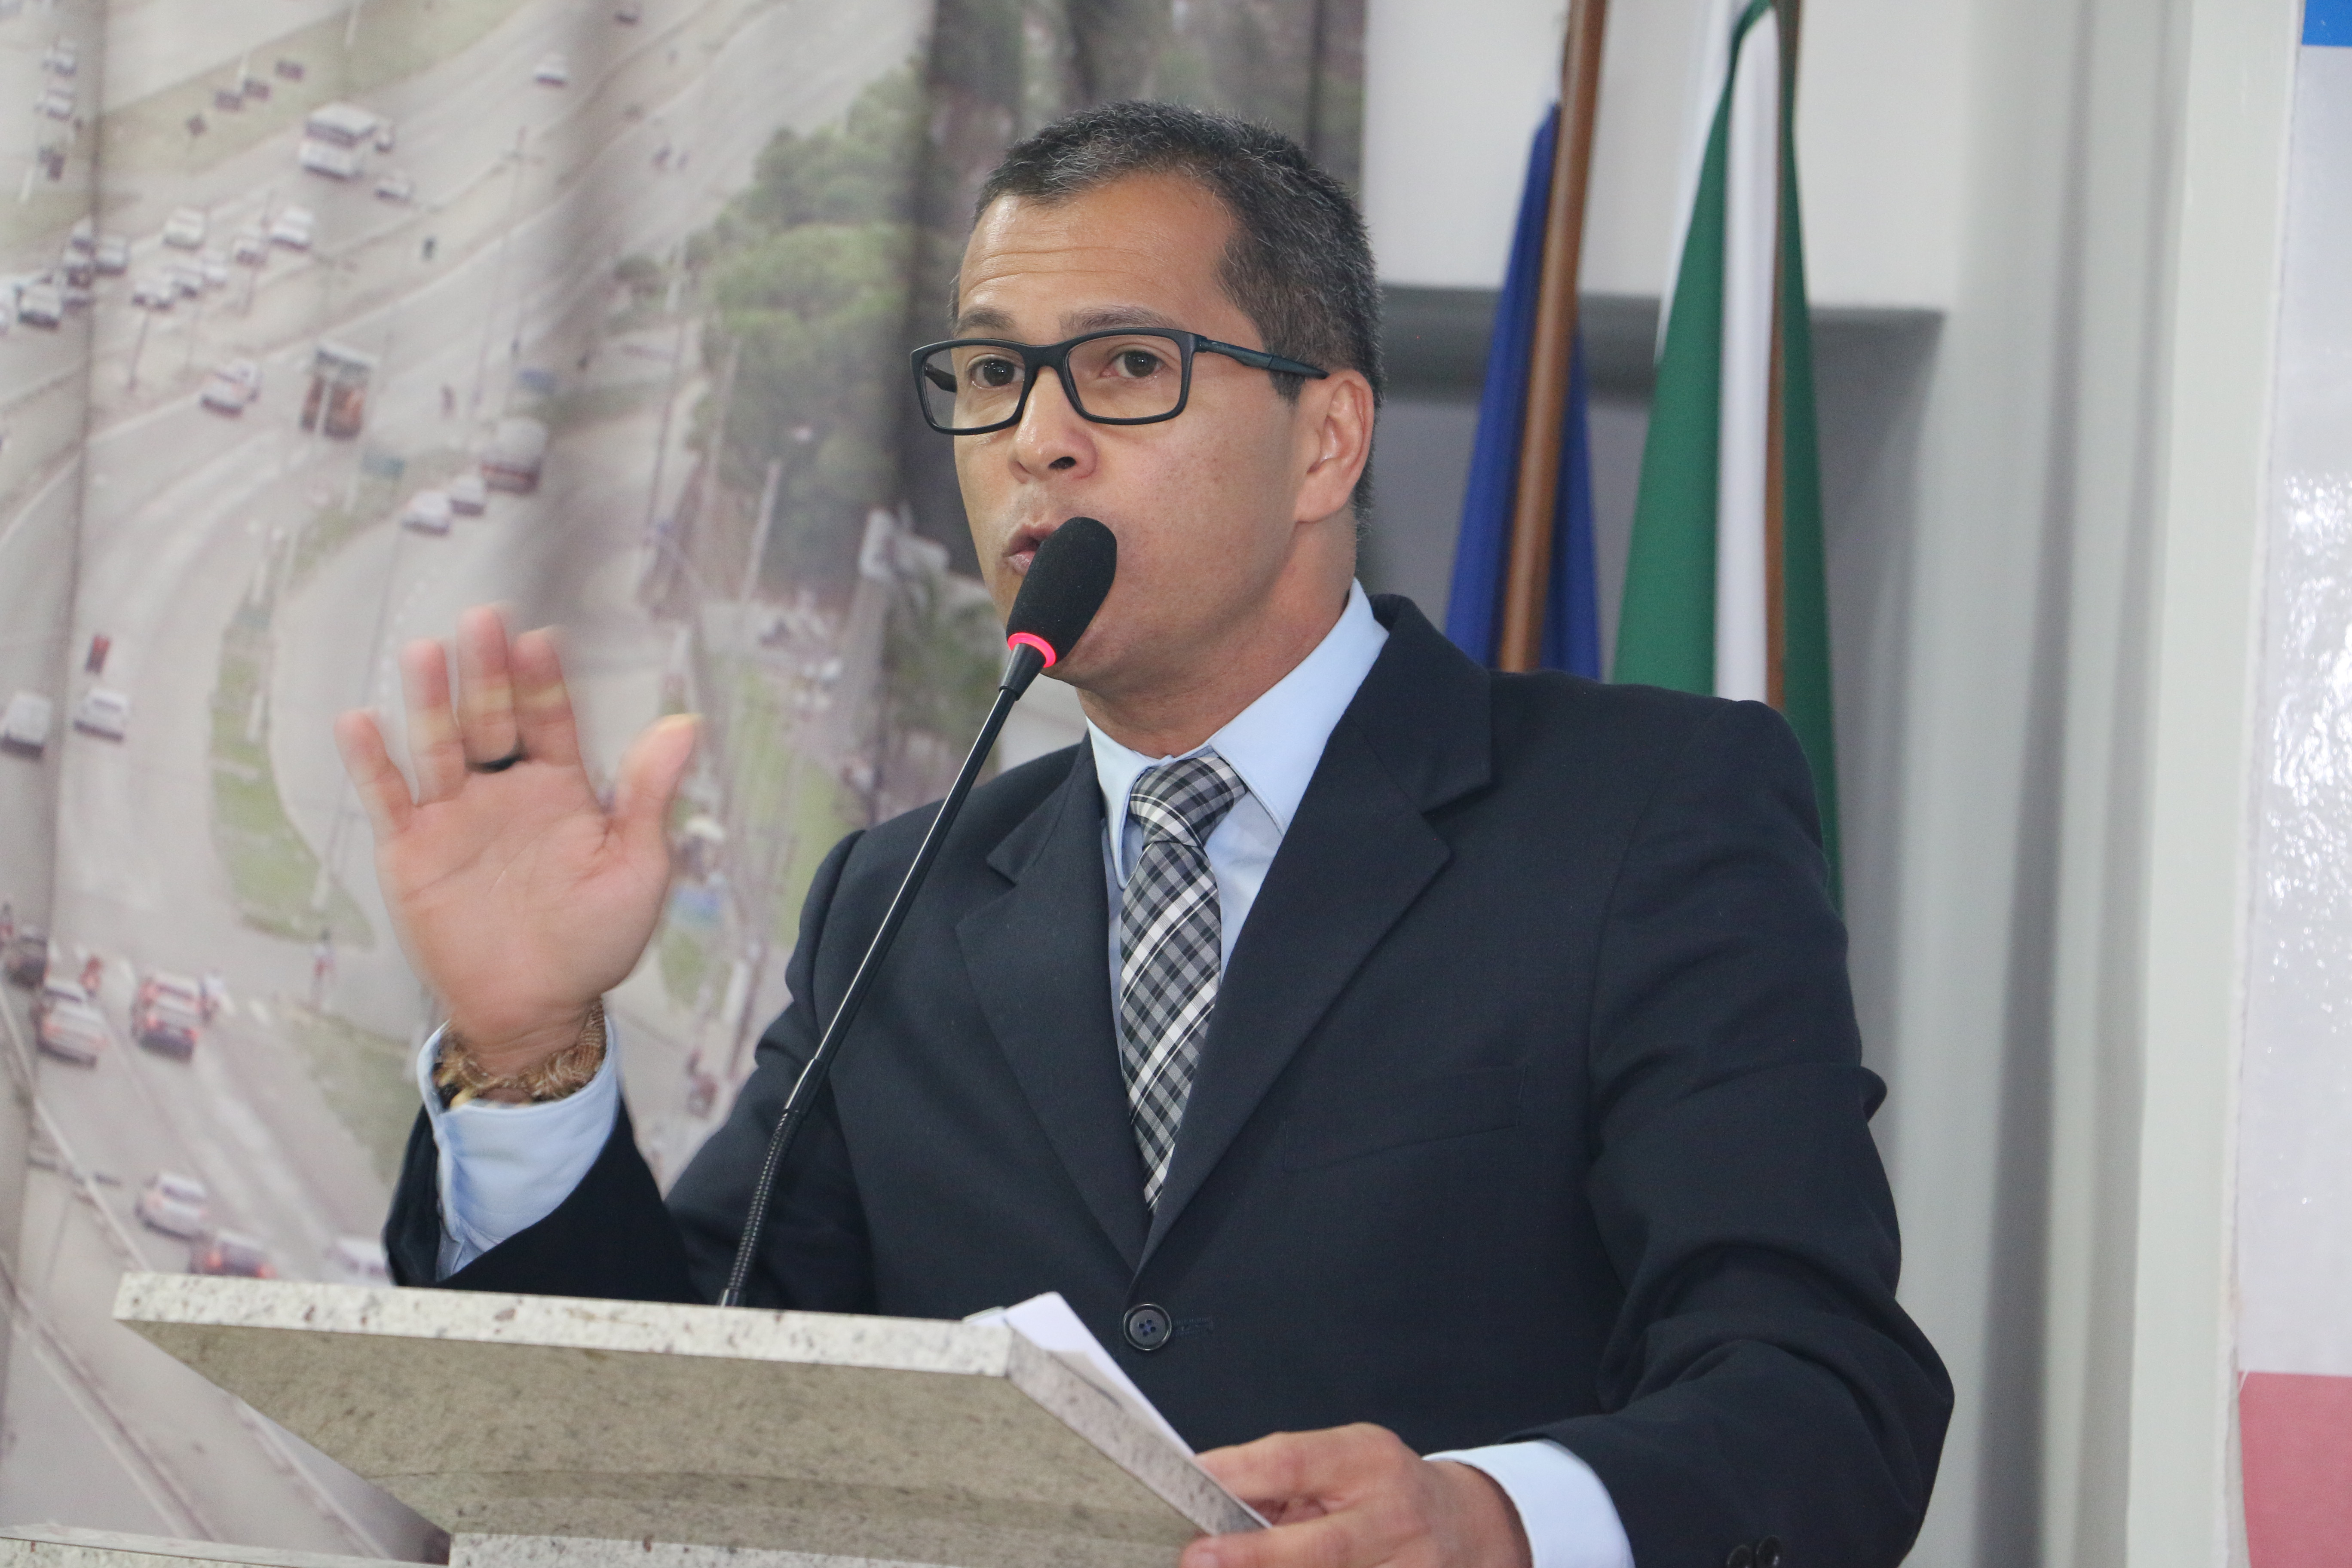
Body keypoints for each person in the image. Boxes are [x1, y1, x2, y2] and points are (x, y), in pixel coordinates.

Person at [337, 103, 1949, 1568]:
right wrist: (528, 1046)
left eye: (1122, 368)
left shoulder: (1640, 813)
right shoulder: (899, 900)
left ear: (1326, 441)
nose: (1033, 439)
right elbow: (672, 1426)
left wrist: (1496, 1521)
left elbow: (1821, 1392)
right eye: (990, 375)